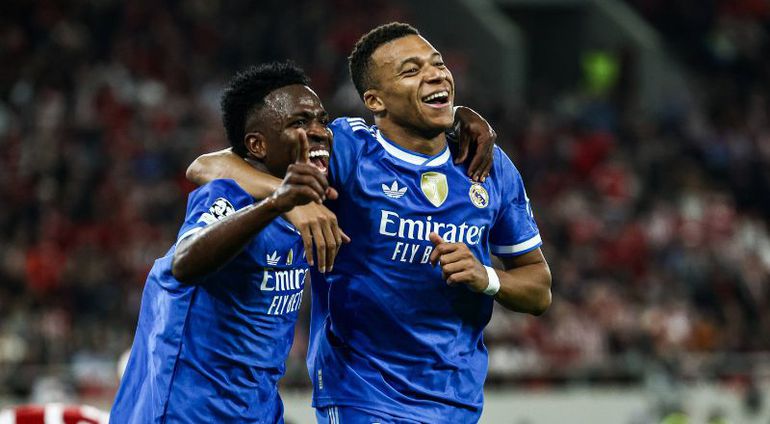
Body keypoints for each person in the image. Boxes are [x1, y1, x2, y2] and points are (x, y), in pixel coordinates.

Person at [188, 23, 552, 423]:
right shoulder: (346, 148)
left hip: (458, 399)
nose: (435, 74)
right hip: (362, 395)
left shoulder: (487, 164)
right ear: (375, 101)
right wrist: (289, 202)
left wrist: (487, 277)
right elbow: (208, 165)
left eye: (438, 64)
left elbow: (539, 290)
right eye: (410, 71)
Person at [111, 62, 336, 423]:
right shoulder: (229, 195)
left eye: (322, 120)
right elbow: (184, 262)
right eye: (299, 123)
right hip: (187, 408)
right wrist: (278, 202)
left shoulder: (317, 186)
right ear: (257, 145)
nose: (319, 132)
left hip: (256, 407)